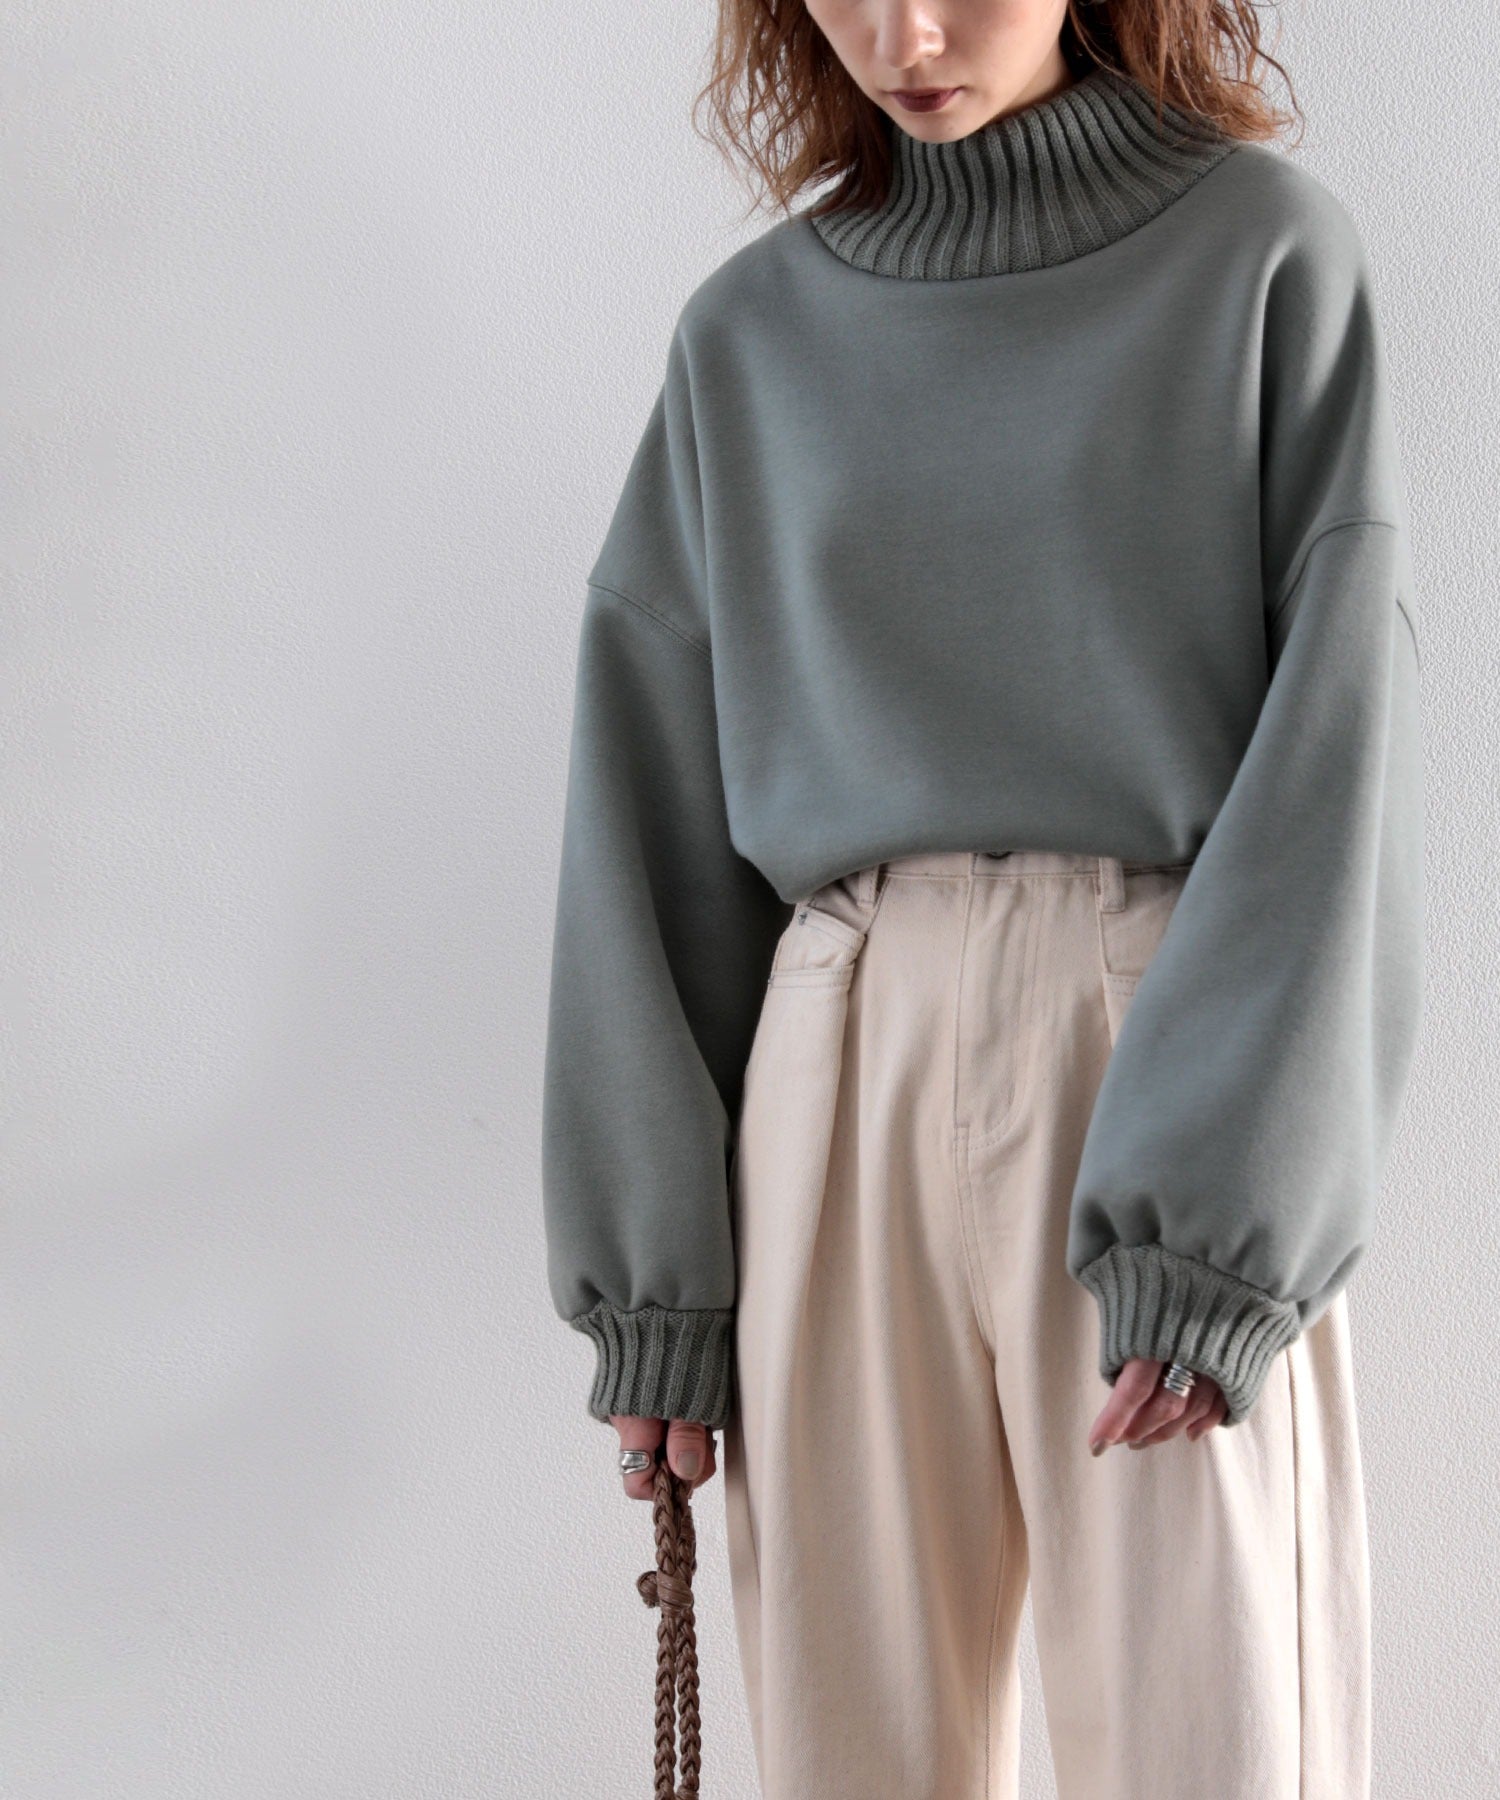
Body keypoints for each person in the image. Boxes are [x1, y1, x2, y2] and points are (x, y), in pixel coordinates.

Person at [539, 0, 1425, 1793]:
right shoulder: (751, 337)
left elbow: (1337, 756)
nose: (905, 31)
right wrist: (654, 1281)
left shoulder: (1259, 258)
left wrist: (1226, 1229)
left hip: (1162, 1039)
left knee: (1216, 1740)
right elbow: (650, 805)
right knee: (854, 1749)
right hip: (839, 1045)